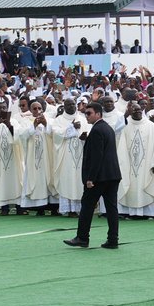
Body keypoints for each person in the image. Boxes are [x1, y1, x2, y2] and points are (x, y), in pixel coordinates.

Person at [64, 101, 120, 249]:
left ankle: (82, 237)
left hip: (99, 178)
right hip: (112, 175)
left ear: (98, 114)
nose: (86, 116)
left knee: (87, 206)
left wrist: (90, 178)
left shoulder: (96, 130)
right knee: (112, 208)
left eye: (89, 113)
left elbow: (97, 157)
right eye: (85, 113)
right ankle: (113, 240)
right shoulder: (107, 128)